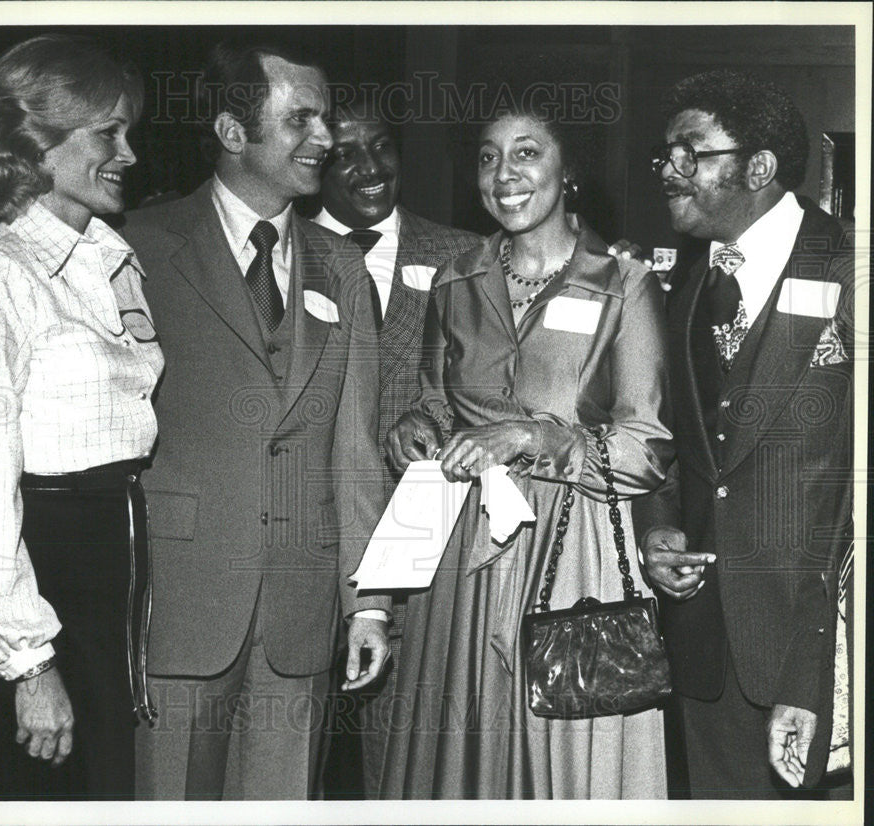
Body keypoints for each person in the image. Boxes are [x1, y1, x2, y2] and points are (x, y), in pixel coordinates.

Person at [382, 96, 673, 799]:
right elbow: (433, 401)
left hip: (573, 555)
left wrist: (534, 437)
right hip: (462, 557)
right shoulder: (455, 281)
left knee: (563, 762)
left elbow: (646, 452)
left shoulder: (624, 284)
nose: (503, 173)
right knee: (458, 756)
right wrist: (413, 429)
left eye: (526, 152)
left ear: (567, 171)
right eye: (488, 157)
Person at [121, 43, 390, 800]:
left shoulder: (342, 267)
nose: (327, 139)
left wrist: (367, 603)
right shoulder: (138, 248)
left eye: (325, 118)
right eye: (300, 118)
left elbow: (356, 448)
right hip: (179, 604)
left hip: (300, 616)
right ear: (233, 133)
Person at [0, 34, 162, 799]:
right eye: (108, 133)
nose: (129, 152)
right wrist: (28, 665)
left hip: (108, 590)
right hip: (45, 588)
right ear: (37, 141)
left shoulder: (107, 260)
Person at [632, 69, 853, 798]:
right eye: (665, 154)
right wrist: (658, 528)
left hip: (816, 651)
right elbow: (677, 443)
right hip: (705, 648)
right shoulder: (692, 284)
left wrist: (811, 666)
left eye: (690, 153)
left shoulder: (852, 271)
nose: (670, 170)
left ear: (758, 167)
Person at [311, 97, 481, 797]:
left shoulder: (462, 256)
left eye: (381, 146)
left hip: (422, 553)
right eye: (344, 153)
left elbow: (492, 383)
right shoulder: (277, 252)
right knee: (285, 761)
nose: (369, 168)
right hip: (301, 541)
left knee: (403, 765)